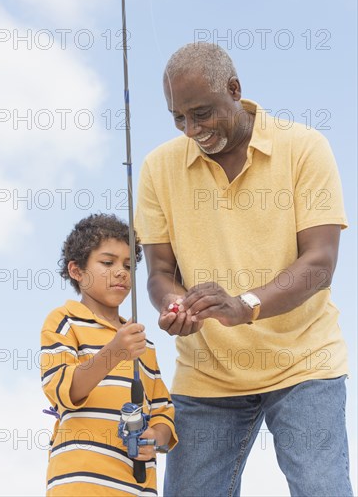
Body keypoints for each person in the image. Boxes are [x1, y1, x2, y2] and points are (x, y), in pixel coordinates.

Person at [135, 42, 353, 497]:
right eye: (178, 118)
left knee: (321, 489)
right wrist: (176, 305)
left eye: (202, 113)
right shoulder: (158, 167)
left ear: (235, 90)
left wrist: (244, 306)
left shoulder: (305, 148)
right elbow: (158, 270)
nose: (192, 129)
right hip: (207, 371)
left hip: (303, 362)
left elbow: (320, 263)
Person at [40, 213, 177, 496]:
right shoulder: (64, 321)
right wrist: (114, 352)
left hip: (136, 487)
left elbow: (163, 411)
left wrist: (157, 436)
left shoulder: (142, 344)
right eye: (107, 262)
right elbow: (64, 391)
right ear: (77, 271)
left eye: (128, 265)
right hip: (79, 483)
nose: (121, 272)